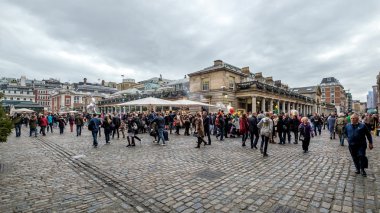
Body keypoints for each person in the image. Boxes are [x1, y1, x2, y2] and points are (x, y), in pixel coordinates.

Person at [344, 113, 373, 177]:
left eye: (353, 118)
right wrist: (347, 138)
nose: (352, 119)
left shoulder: (363, 126)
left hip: (361, 145)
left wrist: (370, 143)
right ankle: (357, 168)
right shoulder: (347, 125)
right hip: (351, 145)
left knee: (361, 156)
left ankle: (362, 169)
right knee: (354, 157)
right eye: (351, 118)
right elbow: (345, 133)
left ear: (357, 119)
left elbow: (368, 134)